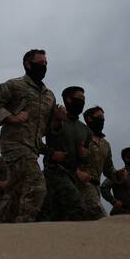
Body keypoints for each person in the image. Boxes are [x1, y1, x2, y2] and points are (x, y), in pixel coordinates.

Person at [0, 49, 56, 223]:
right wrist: (11, 117)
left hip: (33, 149)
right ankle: (24, 230)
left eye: (46, 63)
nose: (44, 66)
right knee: (37, 186)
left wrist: (58, 121)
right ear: (27, 64)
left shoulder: (49, 96)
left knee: (15, 194)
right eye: (40, 63)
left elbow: (47, 129)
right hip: (14, 145)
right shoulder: (14, 86)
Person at [41, 86, 90, 221]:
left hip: (73, 175)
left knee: (56, 215)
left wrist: (83, 156)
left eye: (84, 100)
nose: (82, 102)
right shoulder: (55, 119)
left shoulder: (84, 129)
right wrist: (56, 121)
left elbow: (85, 158)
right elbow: (36, 139)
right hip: (55, 171)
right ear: (68, 99)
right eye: (79, 99)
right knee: (77, 207)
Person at [81, 106, 113, 220]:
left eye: (103, 117)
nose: (102, 119)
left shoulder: (105, 144)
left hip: (96, 188)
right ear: (89, 118)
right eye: (99, 116)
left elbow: (109, 169)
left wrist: (118, 174)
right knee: (100, 217)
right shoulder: (80, 135)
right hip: (81, 184)